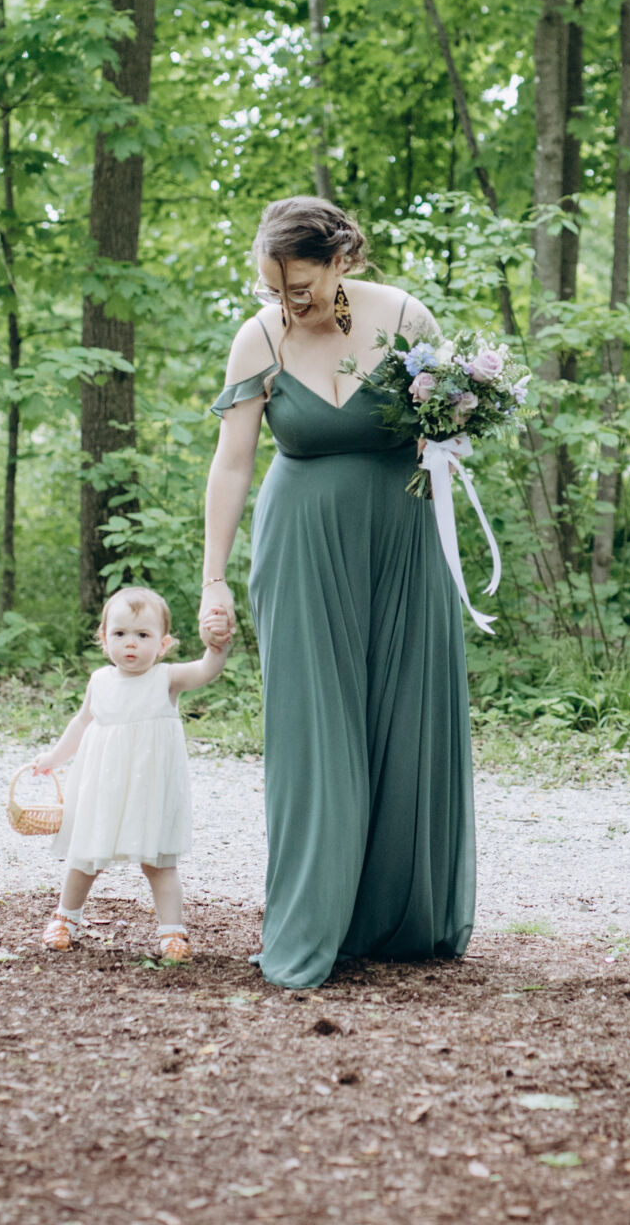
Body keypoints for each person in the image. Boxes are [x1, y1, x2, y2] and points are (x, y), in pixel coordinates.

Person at [199, 196, 475, 991]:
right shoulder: (258, 338)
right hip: (302, 546)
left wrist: (454, 430)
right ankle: (311, 924)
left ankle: (401, 920)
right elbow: (233, 462)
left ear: (342, 261)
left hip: (406, 539)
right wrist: (214, 577)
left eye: (301, 288)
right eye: (274, 288)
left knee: (407, 716)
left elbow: (448, 429)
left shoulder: (406, 318)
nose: (288, 304)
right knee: (314, 731)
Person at [34, 585, 226, 958]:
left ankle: (172, 933)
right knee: (85, 857)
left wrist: (217, 648)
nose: (130, 643)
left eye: (143, 635)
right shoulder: (100, 681)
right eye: (120, 633)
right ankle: (65, 918)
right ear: (104, 639)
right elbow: (81, 723)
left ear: (163, 644)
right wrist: (55, 757)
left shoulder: (167, 679)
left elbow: (205, 671)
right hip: (104, 787)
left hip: (149, 789)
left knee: (159, 863)